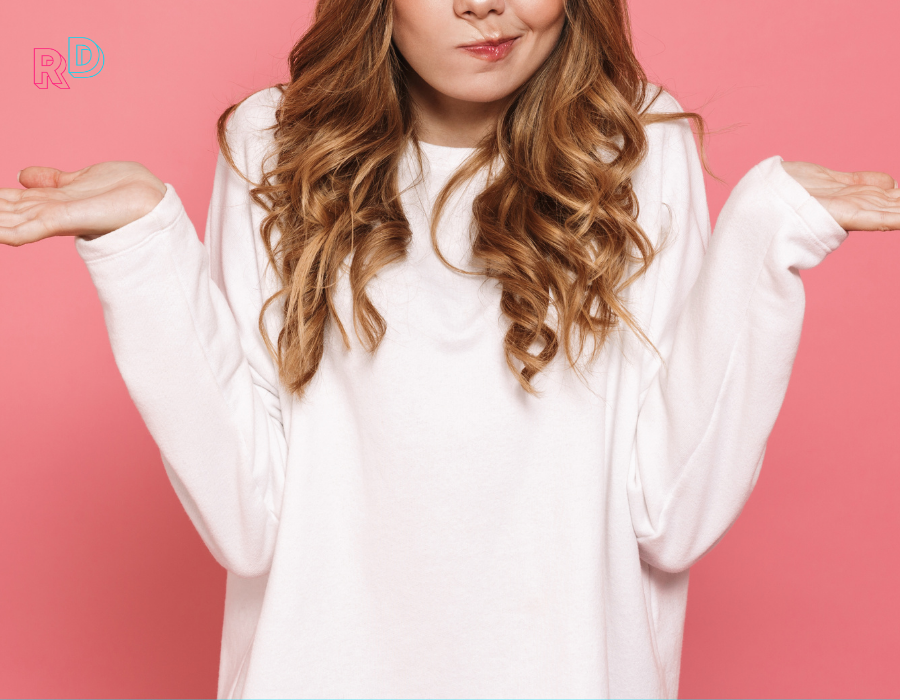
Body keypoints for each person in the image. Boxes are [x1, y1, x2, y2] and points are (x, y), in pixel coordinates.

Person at [2, 0, 899, 697]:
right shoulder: (275, 148)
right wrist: (145, 246)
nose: (486, 6)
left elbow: (673, 514)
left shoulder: (635, 151)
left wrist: (763, 237)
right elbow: (245, 520)